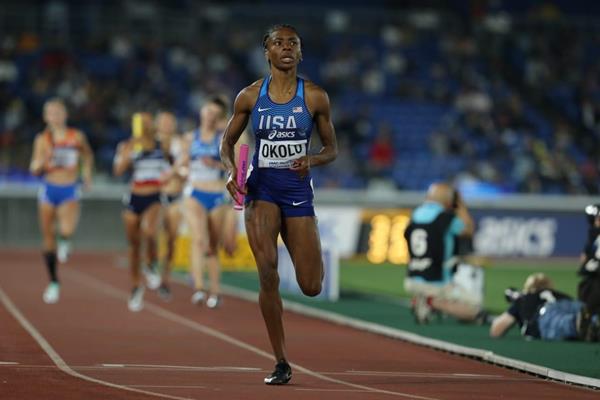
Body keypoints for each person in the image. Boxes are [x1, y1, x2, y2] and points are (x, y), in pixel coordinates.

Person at [220, 24, 338, 385]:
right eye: (278, 43)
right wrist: (232, 172)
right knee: (268, 273)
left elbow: (331, 149)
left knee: (311, 285)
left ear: (300, 53)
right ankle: (281, 360)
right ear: (267, 52)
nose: (286, 48)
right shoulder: (249, 96)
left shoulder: (315, 97)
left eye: (292, 43)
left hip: (297, 191)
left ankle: (282, 356)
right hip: (262, 190)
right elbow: (227, 144)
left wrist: (311, 159)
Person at [29, 98, 94, 304]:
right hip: (49, 188)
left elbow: (87, 156)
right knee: (48, 237)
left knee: (66, 229)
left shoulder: (77, 136)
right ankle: (54, 281)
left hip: (69, 188)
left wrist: (87, 175)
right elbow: (34, 168)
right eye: (51, 113)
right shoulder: (42, 139)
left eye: (58, 112)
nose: (55, 116)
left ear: (65, 115)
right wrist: (41, 162)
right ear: (46, 117)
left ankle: (65, 240)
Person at [113, 112, 171, 312]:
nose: (144, 126)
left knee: (149, 231)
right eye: (140, 122)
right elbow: (118, 171)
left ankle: (152, 263)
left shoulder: (161, 144)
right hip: (134, 196)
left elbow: (170, 166)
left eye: (147, 122)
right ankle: (136, 285)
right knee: (134, 245)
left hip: (154, 196)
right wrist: (129, 150)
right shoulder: (127, 145)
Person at [180, 96, 233, 309]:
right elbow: (182, 163)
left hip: (217, 195)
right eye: (208, 112)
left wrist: (215, 164)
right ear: (201, 113)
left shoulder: (223, 139)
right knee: (199, 239)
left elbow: (234, 166)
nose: (210, 116)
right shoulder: (189, 138)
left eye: (215, 114)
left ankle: (216, 291)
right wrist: (176, 172)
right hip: (195, 193)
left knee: (212, 245)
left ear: (219, 118)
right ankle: (199, 288)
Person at [403, 182, 481, 324]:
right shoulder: (445, 217)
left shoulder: (415, 214)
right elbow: (468, 230)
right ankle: (430, 302)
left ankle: (424, 301)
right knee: (474, 309)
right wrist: (460, 205)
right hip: (437, 280)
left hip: (413, 277)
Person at [490, 273, 598, 341]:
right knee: (588, 314)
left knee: (559, 322)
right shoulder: (557, 293)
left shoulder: (524, 299)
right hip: (569, 303)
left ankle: (575, 323)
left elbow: (496, 329)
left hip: (545, 311)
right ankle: (593, 322)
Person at [156, 111, 184, 301]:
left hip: (175, 196)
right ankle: (150, 267)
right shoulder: (149, 143)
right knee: (151, 235)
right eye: (163, 121)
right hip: (155, 196)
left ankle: (165, 280)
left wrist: (175, 172)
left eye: (170, 122)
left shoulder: (180, 143)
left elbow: (185, 169)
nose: (167, 125)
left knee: (171, 240)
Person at [578, 204, 600, 314]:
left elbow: (584, 258)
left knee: (587, 309)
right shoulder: (593, 232)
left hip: (594, 277)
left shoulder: (594, 232)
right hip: (594, 275)